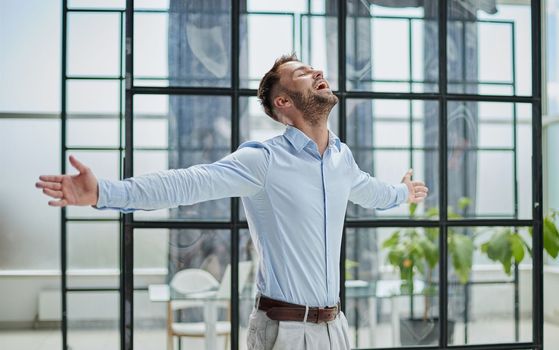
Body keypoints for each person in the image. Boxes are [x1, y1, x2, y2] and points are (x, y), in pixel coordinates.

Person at [36, 54, 428, 350]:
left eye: (313, 68)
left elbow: (371, 192)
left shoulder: (342, 159)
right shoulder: (263, 159)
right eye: (302, 74)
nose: (317, 72)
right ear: (283, 103)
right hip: (284, 331)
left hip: (335, 327)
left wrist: (404, 193)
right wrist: (104, 192)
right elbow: (187, 183)